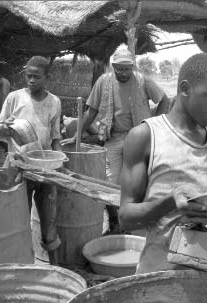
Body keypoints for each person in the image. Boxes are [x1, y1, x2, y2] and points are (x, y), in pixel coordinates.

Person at [119, 53, 207, 274]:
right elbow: (126, 217)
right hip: (162, 277)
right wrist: (170, 202)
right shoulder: (146, 137)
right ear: (185, 89)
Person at [63, 46, 169, 235]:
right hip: (113, 137)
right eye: (119, 68)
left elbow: (164, 100)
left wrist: (155, 125)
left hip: (138, 138)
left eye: (127, 68)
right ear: (113, 66)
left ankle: (137, 225)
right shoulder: (104, 81)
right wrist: (77, 134)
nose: (123, 72)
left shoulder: (142, 80)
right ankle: (115, 223)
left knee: (138, 181)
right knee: (111, 182)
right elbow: (91, 112)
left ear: (132, 67)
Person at [0, 56, 62, 265]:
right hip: (17, 167)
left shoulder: (54, 102)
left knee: (49, 224)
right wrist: (4, 128)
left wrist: (60, 161)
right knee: (17, 222)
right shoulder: (14, 98)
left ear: (47, 78)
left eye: (36, 77)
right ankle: (21, 265)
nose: (31, 80)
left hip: (44, 170)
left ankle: (56, 269)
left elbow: (56, 137)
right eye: (28, 76)